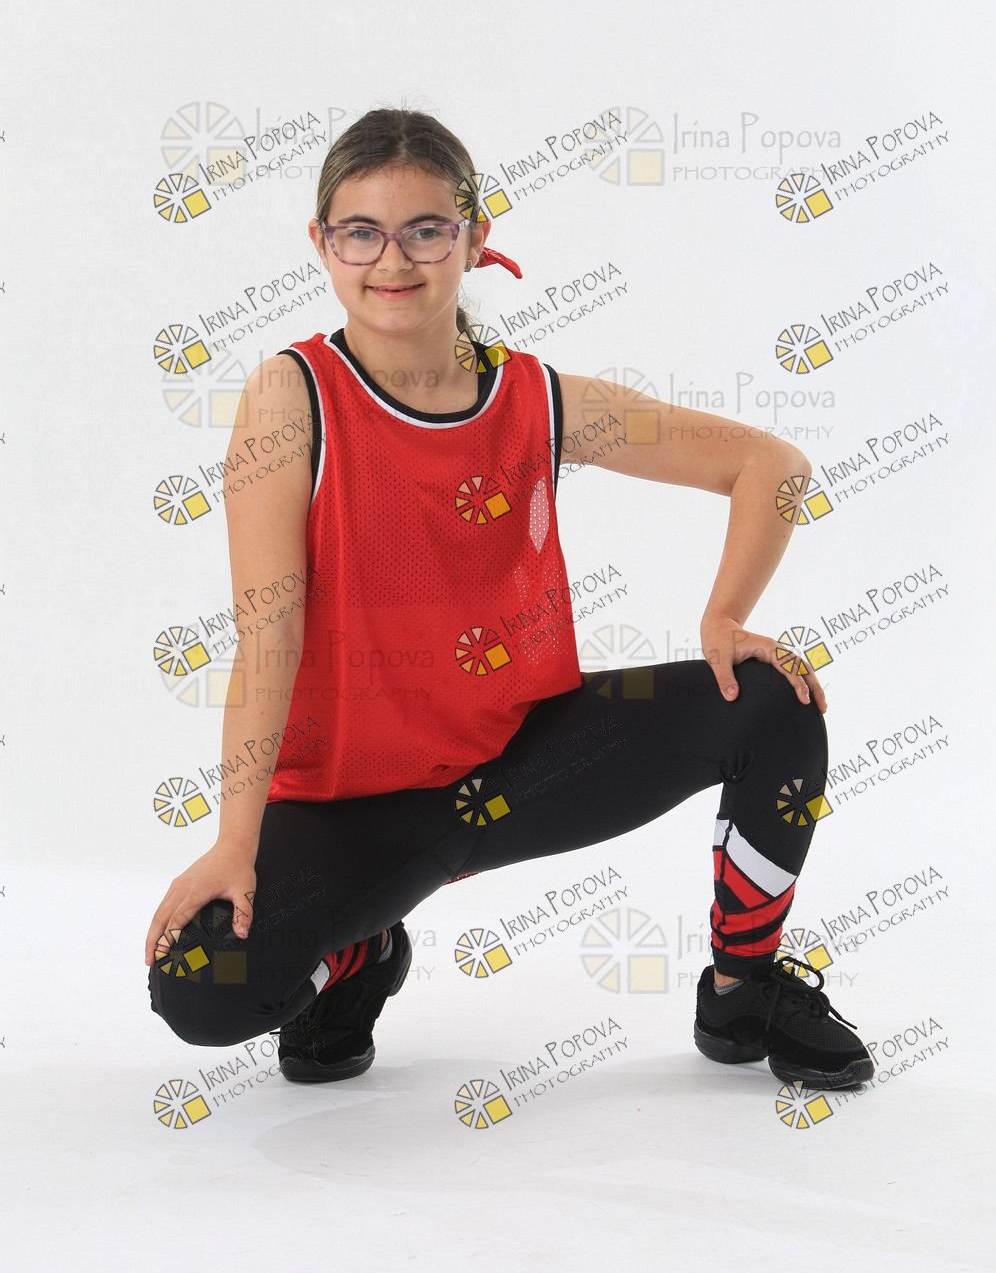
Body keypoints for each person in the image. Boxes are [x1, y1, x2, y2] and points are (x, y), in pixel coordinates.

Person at [145, 106, 874, 1094]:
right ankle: (362, 955)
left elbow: (770, 466)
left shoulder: (535, 397)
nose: (392, 260)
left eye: (425, 230)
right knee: (204, 987)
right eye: (361, 232)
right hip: (351, 804)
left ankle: (743, 990)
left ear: (474, 237)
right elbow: (266, 633)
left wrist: (723, 619)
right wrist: (235, 843)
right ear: (322, 243)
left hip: (524, 762)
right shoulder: (292, 396)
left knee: (775, 699)